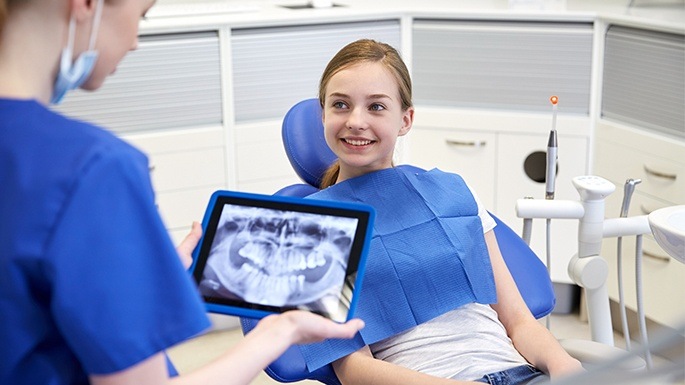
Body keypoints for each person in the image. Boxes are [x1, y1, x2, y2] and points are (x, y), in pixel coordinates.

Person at [0, 1, 363, 384]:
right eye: (139, 16)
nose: (135, 41)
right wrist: (280, 332)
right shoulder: (93, 167)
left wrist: (131, 278)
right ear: (87, 5)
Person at [299, 39, 585, 385]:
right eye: (341, 105)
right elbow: (352, 370)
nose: (356, 121)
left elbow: (519, 321)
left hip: (519, 373)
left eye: (376, 107)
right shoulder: (309, 229)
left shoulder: (452, 194)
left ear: (405, 119)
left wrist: (565, 366)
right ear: (323, 115)